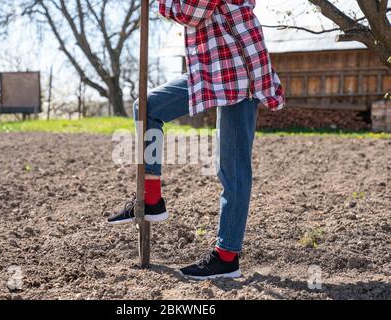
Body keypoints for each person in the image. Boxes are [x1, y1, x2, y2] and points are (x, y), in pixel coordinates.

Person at [107, 0, 285, 280]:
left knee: (233, 170)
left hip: (238, 70)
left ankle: (227, 257)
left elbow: (190, 11)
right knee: (147, 107)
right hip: (211, 69)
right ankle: (151, 198)